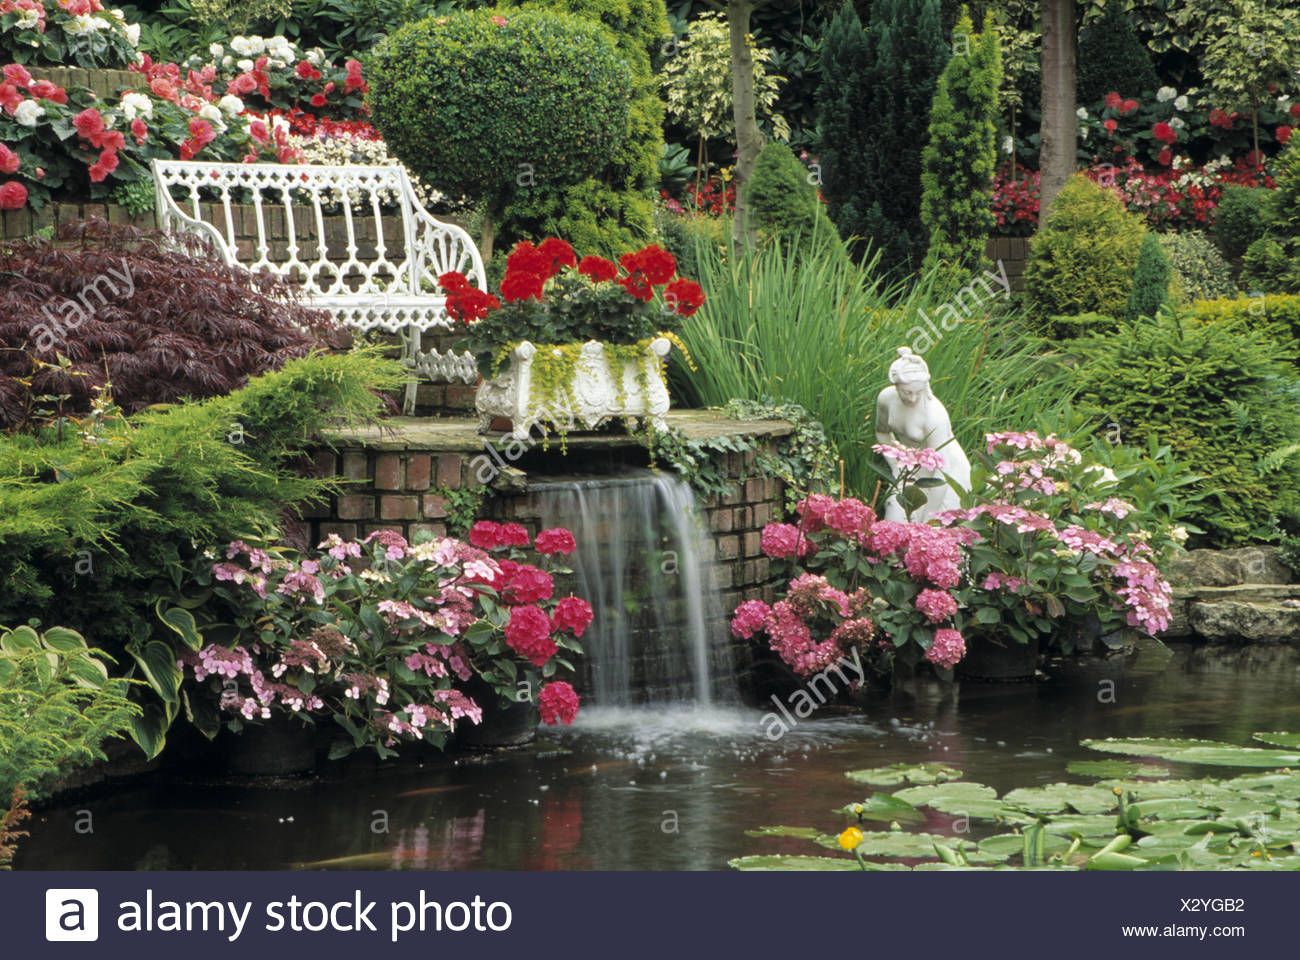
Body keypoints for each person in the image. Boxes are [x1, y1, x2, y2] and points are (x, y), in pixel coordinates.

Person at [873, 346, 971, 522]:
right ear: (897, 386)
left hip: (946, 473)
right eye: (907, 392)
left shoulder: (934, 415)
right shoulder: (886, 399)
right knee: (895, 521)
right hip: (911, 467)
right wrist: (896, 465)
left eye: (918, 393)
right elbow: (882, 433)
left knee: (940, 533)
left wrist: (928, 519)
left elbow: (942, 471)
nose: (912, 399)